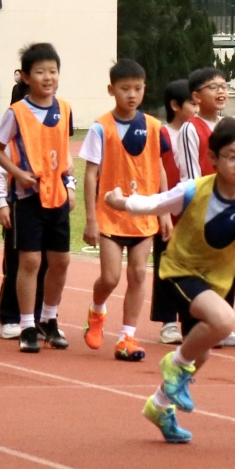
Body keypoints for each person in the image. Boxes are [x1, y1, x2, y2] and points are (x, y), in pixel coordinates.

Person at [104, 118, 235, 443]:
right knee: (224, 321)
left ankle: (160, 406)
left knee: (200, 351)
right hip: (179, 271)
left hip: (214, 284)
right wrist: (118, 201)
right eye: (232, 157)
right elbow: (152, 203)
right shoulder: (194, 190)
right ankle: (174, 366)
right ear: (213, 158)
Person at [80, 59, 172, 360]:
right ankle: (97, 311)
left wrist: (164, 211)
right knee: (110, 278)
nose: (132, 95)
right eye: (124, 89)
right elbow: (90, 175)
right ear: (111, 90)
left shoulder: (154, 127)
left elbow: (159, 169)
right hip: (110, 216)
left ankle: (127, 337)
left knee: (139, 274)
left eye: (138, 88)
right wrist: (91, 219)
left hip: (143, 214)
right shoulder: (100, 128)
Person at [0, 42, 74, 353]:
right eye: (40, 72)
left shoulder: (64, 108)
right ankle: (27, 324)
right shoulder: (17, 112)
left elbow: (63, 151)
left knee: (61, 261)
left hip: (58, 197)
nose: (48, 77)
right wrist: (18, 172)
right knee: (30, 261)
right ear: (26, 77)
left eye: (53, 71)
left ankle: (49, 319)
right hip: (27, 198)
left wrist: (70, 184)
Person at [0, 68, 48, 341]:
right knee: (17, 263)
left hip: (48, 204)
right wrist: (1, 203)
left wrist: (70, 187)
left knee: (45, 263)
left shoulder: (50, 126)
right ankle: (10, 317)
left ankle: (37, 318)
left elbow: (63, 163)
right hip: (19, 203)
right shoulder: (13, 129)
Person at [154, 77, 192, 344]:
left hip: (194, 211)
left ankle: (192, 319)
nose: (197, 109)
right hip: (168, 212)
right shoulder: (162, 135)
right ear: (175, 105)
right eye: (192, 103)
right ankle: (168, 321)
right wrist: (162, 211)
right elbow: (156, 173)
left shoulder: (199, 133)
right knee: (166, 266)